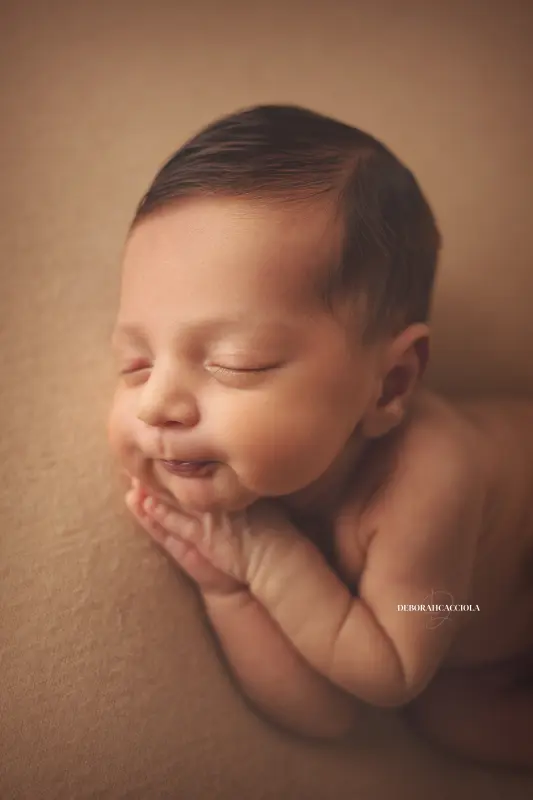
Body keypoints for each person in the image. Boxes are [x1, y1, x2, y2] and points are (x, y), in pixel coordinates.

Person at [107, 104, 533, 770]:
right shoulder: (266, 472)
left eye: (235, 362)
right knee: (454, 722)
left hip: (460, 599)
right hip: (471, 632)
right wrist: (232, 592)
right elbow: (325, 714)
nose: (156, 403)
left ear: (387, 386)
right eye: (133, 364)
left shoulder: (426, 475)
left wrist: (267, 561)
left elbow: (390, 668)